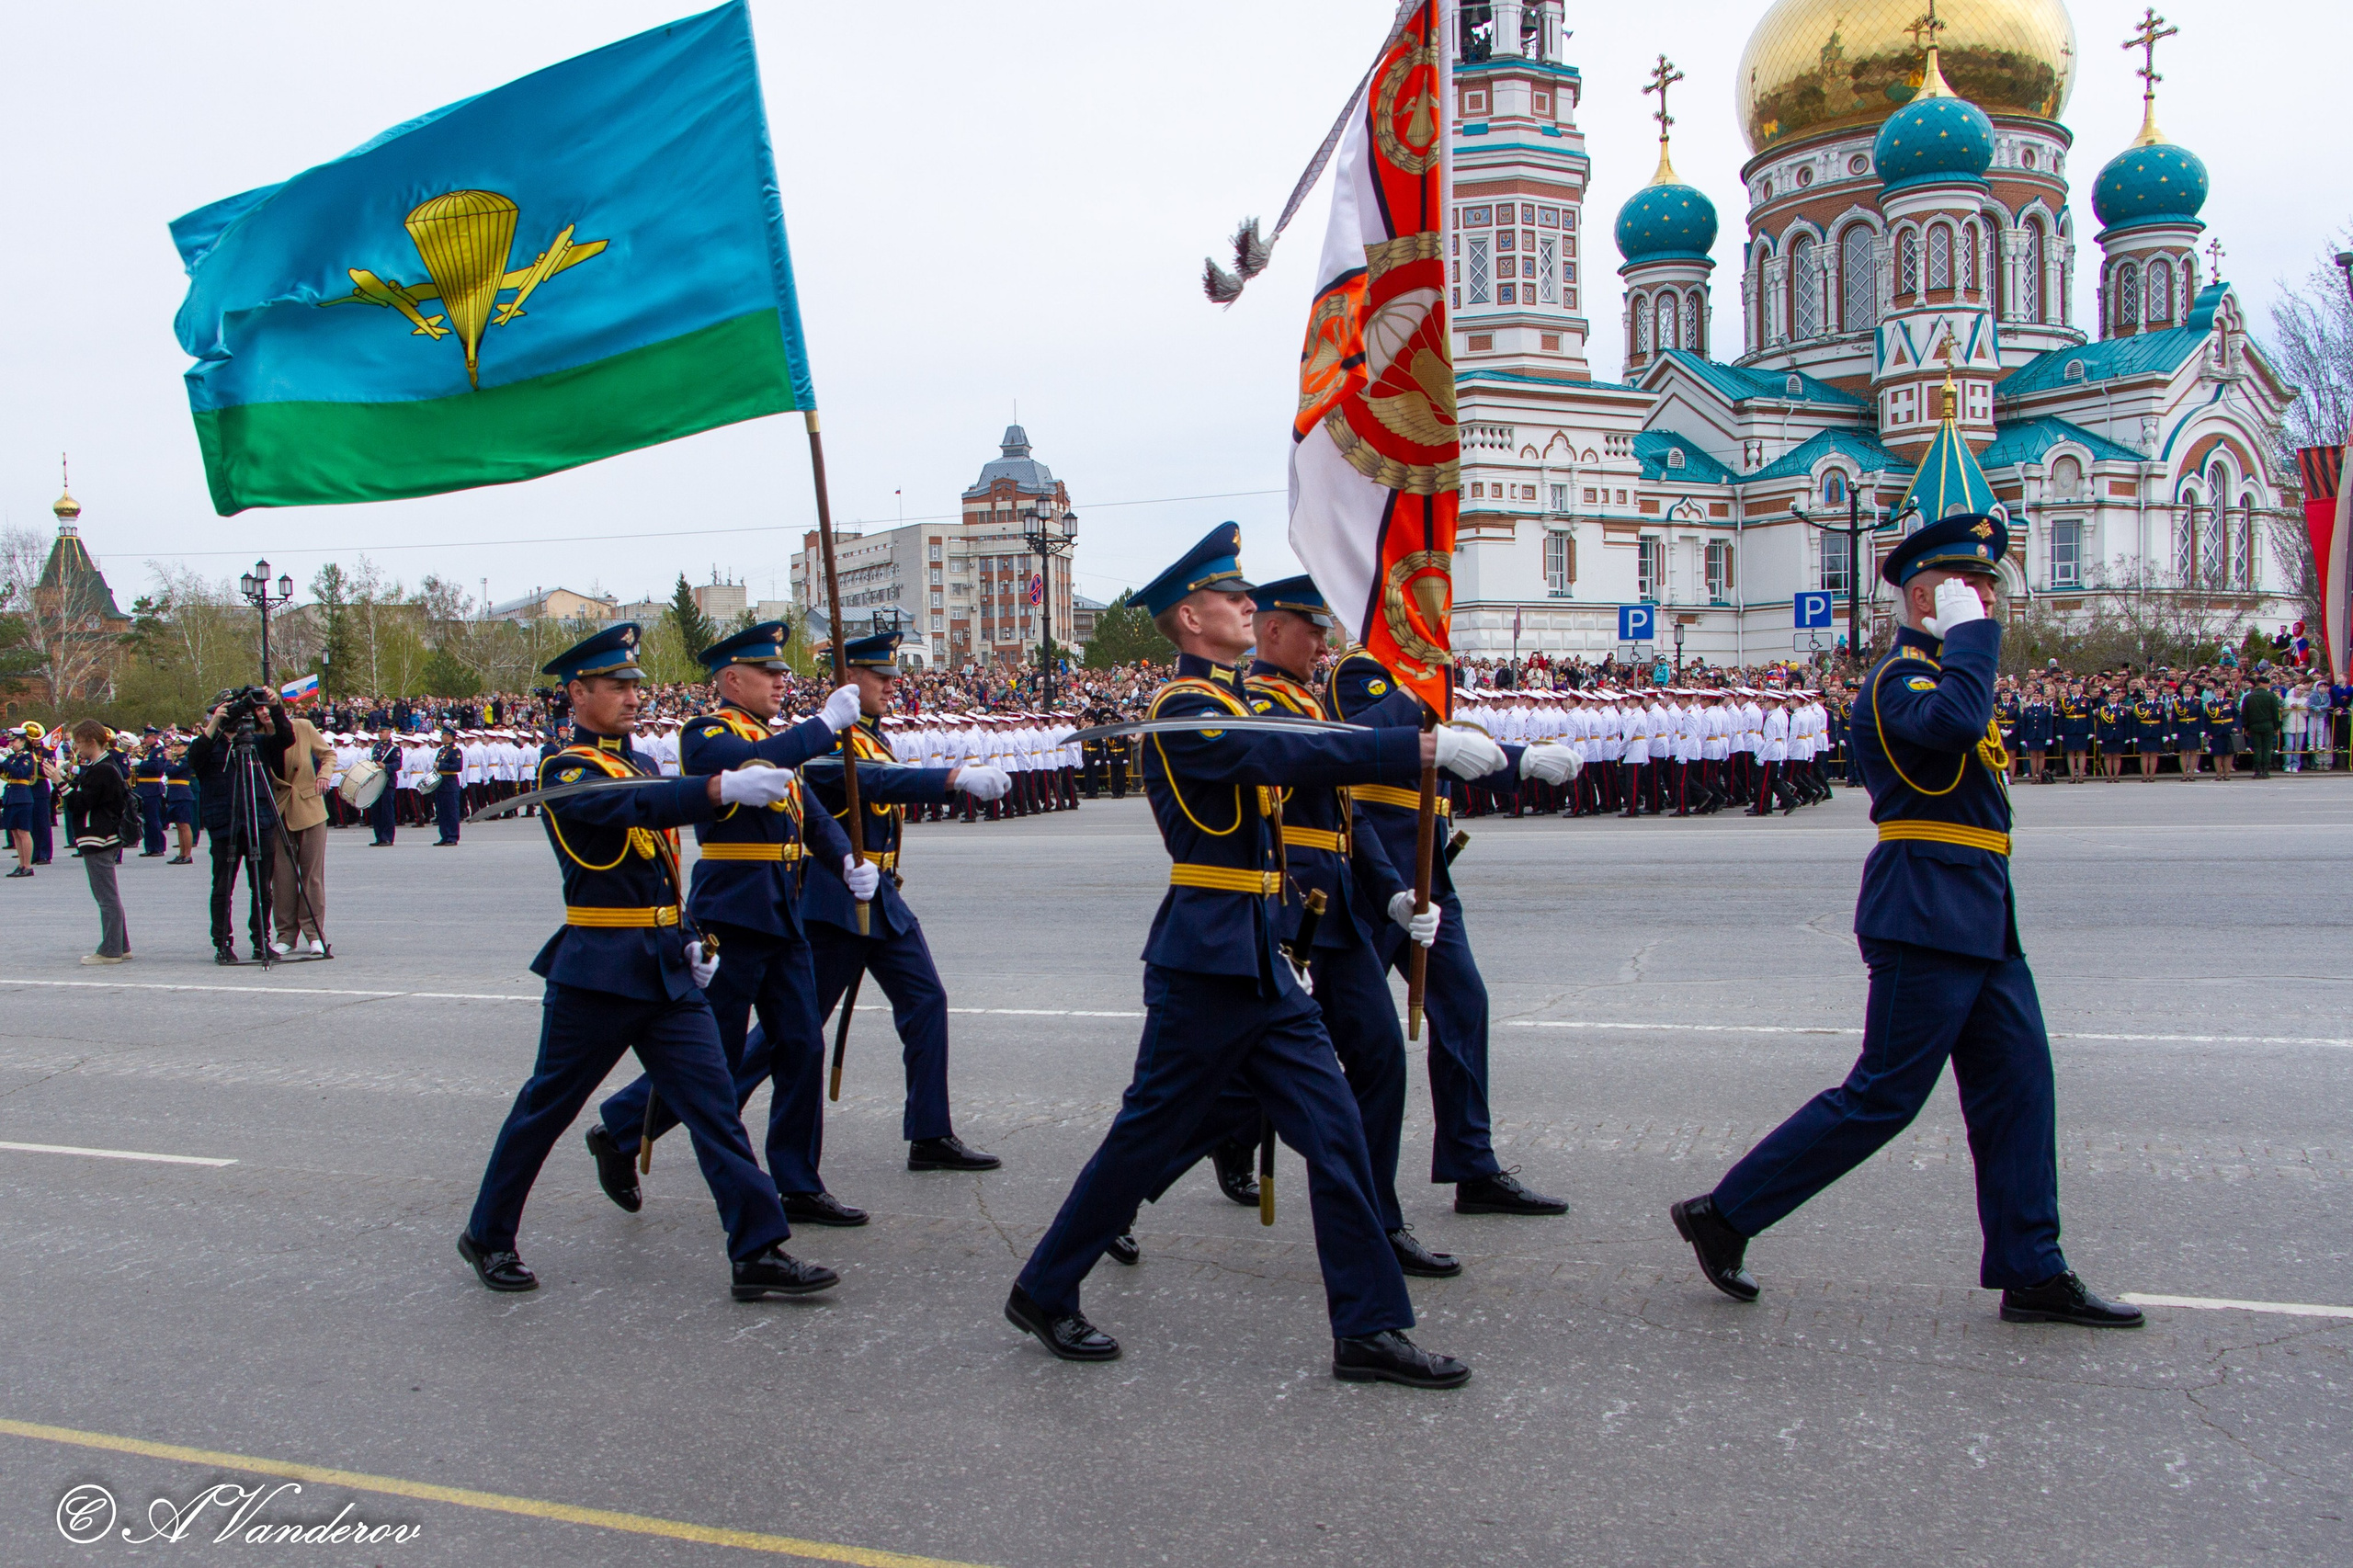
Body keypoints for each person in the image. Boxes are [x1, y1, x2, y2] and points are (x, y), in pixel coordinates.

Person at [1007, 524, 1483, 1386]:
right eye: (1233, 599)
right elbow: (1286, 750)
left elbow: (1301, 769)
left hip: (1262, 959)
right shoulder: (1183, 710)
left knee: (1336, 1135)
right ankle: (1045, 1285)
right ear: (1192, 618)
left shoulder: (1234, 703)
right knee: (1143, 1137)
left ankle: (1368, 1330)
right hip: (1203, 963)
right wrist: (1415, 746)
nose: (1248, 608)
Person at [1669, 508, 2143, 1330]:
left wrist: (1970, 643)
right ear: (1926, 597)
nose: (1987, 601)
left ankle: (2033, 1268)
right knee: (1884, 1097)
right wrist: (1969, 641)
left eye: (1989, 589)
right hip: (1924, 910)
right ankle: (1725, 1214)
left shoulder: (1948, 669)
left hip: (1979, 911)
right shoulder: (1904, 679)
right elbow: (1954, 727)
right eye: (1972, 588)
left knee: (2020, 1089)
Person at [457, 622, 837, 1301]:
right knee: (547, 1107)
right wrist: (719, 790)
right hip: (599, 971)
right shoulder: (565, 768)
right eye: (617, 686)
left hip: (664, 964)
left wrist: (690, 935)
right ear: (578, 693)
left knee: (715, 1109)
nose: (634, 697)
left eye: (636, 685)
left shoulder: (639, 761)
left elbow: (662, 868)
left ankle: (758, 1251)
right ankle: (488, 1232)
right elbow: (628, 809)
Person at [587, 621, 869, 1224]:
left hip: (783, 913)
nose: (780, 682)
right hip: (731, 917)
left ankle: (797, 1180)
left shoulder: (774, 737)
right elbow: (751, 765)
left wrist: (846, 859)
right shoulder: (707, 732)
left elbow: (810, 814)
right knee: (712, 1059)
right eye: (769, 673)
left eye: (782, 673)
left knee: (801, 1045)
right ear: (732, 678)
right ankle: (618, 1129)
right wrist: (823, 726)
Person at [1326, 640, 1573, 1219]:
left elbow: (1452, 754)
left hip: (1426, 868)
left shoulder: (1428, 671)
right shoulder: (1363, 669)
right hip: (1373, 875)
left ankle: (1472, 1164)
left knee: (1464, 1005)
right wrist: (1413, 690)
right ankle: (1224, 1130)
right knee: (1307, 1034)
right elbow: (1359, 746)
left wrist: (1519, 762)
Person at [784, 629, 1013, 1187]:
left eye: (892, 676)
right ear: (846, 680)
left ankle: (930, 1134)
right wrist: (953, 777)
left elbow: (879, 773)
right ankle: (630, 1122)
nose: (892, 685)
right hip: (836, 903)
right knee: (787, 1035)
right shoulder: (819, 741)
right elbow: (869, 782)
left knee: (926, 999)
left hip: (880, 897)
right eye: (879, 677)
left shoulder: (869, 736)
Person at [185, 694, 296, 965]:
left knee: (262, 888)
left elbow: (285, 738)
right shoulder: (209, 746)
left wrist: (274, 706)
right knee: (223, 887)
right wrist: (213, 727)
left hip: (259, 821)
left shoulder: (256, 743)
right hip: (225, 824)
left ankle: (261, 941)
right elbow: (193, 759)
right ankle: (222, 943)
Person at [62, 721, 132, 965]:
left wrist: (60, 785)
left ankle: (111, 949)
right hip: (103, 835)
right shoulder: (103, 766)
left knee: (105, 896)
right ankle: (121, 945)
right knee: (108, 893)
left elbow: (80, 803)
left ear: (92, 741)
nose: (77, 748)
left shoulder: (102, 769)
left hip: (99, 836)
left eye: (79, 743)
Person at [269, 708, 335, 955]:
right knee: (282, 878)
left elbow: (328, 754)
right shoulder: (258, 735)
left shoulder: (302, 726)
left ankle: (314, 933)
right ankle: (285, 934)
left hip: (309, 807)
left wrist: (324, 774)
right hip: (278, 809)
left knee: (311, 876)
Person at [2, 728, 39, 877]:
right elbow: (5, 773)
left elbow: (19, 773)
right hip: (11, 796)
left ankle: (28, 866)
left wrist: (4, 761)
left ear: (23, 741)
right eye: (10, 741)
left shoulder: (28, 757)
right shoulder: (13, 757)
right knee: (15, 832)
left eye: (14, 741)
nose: (11, 744)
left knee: (23, 831)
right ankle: (21, 864)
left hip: (22, 796)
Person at [132, 732, 170, 857]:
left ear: (155, 738)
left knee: (154, 819)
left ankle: (158, 847)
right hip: (143, 788)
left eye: (147, 737)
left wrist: (139, 763)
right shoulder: (148, 751)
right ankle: (150, 847)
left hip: (152, 788)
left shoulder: (159, 751)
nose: (145, 739)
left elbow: (157, 767)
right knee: (147, 820)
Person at [366, 725, 402, 844]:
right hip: (376, 782)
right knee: (376, 810)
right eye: (379, 732)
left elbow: (397, 764)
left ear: (389, 733)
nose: (380, 734)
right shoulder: (377, 746)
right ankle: (379, 836)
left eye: (382, 732)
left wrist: (386, 766)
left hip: (387, 782)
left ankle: (387, 837)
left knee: (387, 811)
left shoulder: (394, 748)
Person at [430, 725, 465, 845]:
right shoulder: (442, 750)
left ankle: (452, 836)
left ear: (449, 736)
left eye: (443, 734)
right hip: (441, 783)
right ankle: (444, 836)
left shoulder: (455, 751)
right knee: (442, 811)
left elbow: (457, 767)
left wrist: (441, 766)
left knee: (451, 812)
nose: (441, 737)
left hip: (450, 783)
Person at [2241, 675, 2281, 779]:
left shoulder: (2249, 697)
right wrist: (2276, 727)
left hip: (2254, 726)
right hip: (2268, 725)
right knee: (2267, 748)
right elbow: (2275, 713)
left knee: (2257, 748)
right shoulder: (2271, 696)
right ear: (2263, 684)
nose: (2269, 686)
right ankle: (2266, 771)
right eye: (2268, 684)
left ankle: (2257, 771)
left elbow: (2245, 714)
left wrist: (2246, 727)